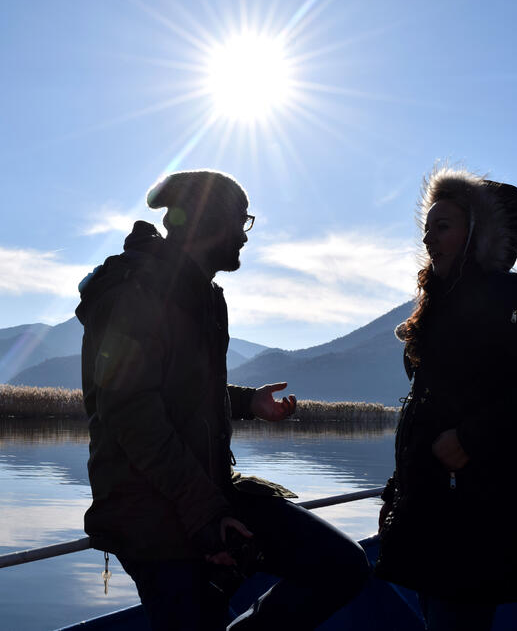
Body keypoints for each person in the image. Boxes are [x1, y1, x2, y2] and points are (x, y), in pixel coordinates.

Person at [76, 169, 369, 631]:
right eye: (240, 220)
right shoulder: (134, 296)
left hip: (205, 492)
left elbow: (183, 392)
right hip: (149, 514)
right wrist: (208, 516)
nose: (245, 235)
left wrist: (249, 402)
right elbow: (131, 414)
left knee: (343, 566)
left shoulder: (208, 297)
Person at [375, 166, 517, 630]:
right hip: (428, 507)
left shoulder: (509, 294)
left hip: (474, 514)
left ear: (478, 234)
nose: (429, 239)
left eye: (443, 227)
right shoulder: (437, 305)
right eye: (427, 228)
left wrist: (469, 439)